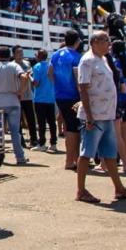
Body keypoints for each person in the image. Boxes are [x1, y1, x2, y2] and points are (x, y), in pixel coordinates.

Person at [74, 30, 126, 204]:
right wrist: (88, 116)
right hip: (94, 115)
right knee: (87, 152)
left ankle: (119, 188)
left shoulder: (102, 60)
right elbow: (82, 87)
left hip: (107, 114)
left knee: (110, 153)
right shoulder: (87, 61)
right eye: (105, 41)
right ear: (94, 42)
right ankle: (81, 190)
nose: (109, 44)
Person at [0, 46, 28, 165]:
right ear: (10, 55)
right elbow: (24, 77)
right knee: (15, 132)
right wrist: (21, 91)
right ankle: (20, 157)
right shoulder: (14, 66)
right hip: (12, 100)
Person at [50, 30, 84, 170]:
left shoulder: (55, 54)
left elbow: (50, 73)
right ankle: (71, 160)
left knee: (69, 126)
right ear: (77, 41)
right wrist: (82, 96)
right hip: (73, 96)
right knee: (73, 129)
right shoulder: (76, 57)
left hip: (60, 96)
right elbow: (78, 78)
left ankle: (72, 159)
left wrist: (57, 87)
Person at [13, 46, 40, 150]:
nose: (21, 54)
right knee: (18, 120)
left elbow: (31, 76)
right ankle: (21, 141)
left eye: (21, 52)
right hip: (18, 96)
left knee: (31, 119)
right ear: (14, 54)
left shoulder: (27, 63)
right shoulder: (13, 65)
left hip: (28, 95)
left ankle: (34, 139)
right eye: (18, 52)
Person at [31, 49, 58, 152]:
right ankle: (53, 143)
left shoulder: (37, 67)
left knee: (41, 122)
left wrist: (30, 78)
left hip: (40, 98)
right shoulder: (51, 66)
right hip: (51, 97)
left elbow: (36, 83)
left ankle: (42, 143)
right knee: (52, 122)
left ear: (38, 56)